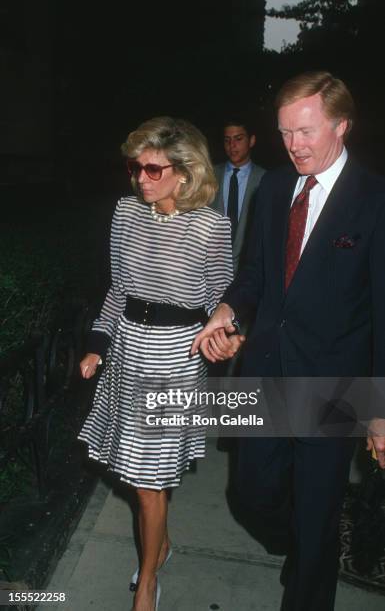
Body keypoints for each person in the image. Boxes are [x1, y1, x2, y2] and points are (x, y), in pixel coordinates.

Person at [192, 71, 385, 611]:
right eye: (284, 133)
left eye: (306, 132)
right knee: (248, 495)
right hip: (266, 375)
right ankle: (301, 546)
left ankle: (309, 562)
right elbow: (253, 274)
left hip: (337, 387)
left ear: (342, 126)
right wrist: (226, 312)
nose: (294, 146)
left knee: (317, 519)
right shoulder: (276, 187)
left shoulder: (374, 200)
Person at [78, 116, 234, 611]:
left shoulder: (212, 225)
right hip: (129, 349)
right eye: (135, 167)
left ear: (183, 173)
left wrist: (226, 336)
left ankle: (147, 582)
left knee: (149, 482)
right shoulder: (125, 214)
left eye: (152, 169)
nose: (140, 178)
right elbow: (118, 289)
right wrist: (98, 344)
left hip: (178, 358)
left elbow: (220, 301)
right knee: (136, 473)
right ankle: (160, 545)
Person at [211, 119, 265, 275]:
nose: (232, 145)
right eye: (227, 140)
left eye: (238, 139)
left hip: (248, 272)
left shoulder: (265, 179)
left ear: (252, 141)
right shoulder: (209, 176)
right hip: (210, 269)